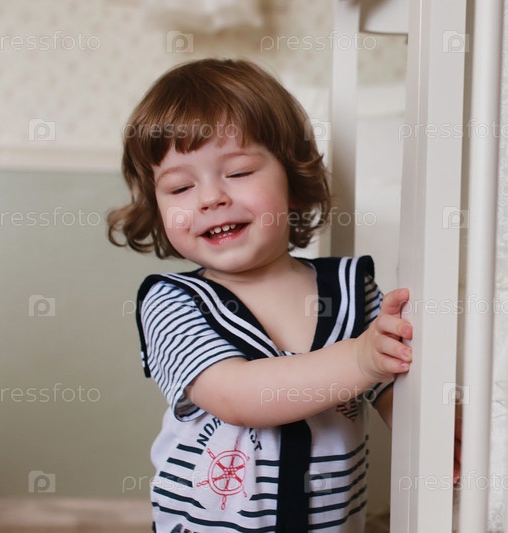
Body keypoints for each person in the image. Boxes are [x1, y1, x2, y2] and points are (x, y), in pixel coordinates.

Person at [107, 58, 413, 532]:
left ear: (293, 180)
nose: (210, 198)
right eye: (181, 186)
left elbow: (393, 386)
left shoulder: (351, 291)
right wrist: (360, 359)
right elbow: (236, 395)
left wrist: (433, 433)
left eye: (239, 172)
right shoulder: (172, 303)